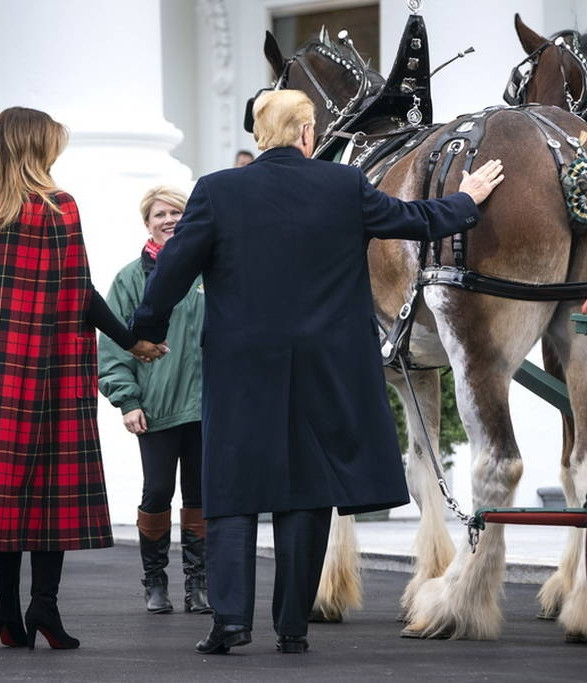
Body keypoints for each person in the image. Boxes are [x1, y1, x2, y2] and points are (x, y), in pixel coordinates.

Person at [129, 89, 504, 655]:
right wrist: (465, 198)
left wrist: (148, 330)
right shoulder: (343, 185)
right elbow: (415, 222)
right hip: (326, 367)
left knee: (231, 490)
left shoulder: (217, 191)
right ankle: (292, 627)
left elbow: (173, 271)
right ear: (308, 134)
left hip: (241, 367)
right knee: (305, 491)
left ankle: (229, 622)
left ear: (259, 135)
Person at [0, 106, 160, 651]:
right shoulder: (58, 208)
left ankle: (5, 610)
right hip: (47, 369)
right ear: (36, 147)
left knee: (5, 489)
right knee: (52, 488)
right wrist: (132, 341)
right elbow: (80, 292)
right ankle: (44, 609)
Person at [99, 185, 211, 616]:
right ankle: (155, 580)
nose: (169, 220)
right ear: (147, 223)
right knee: (158, 491)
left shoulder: (208, 271)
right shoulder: (130, 278)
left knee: (200, 495)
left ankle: (197, 585)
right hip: (156, 409)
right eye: (160, 214)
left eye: (177, 213)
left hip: (205, 407)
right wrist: (126, 401)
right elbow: (112, 345)